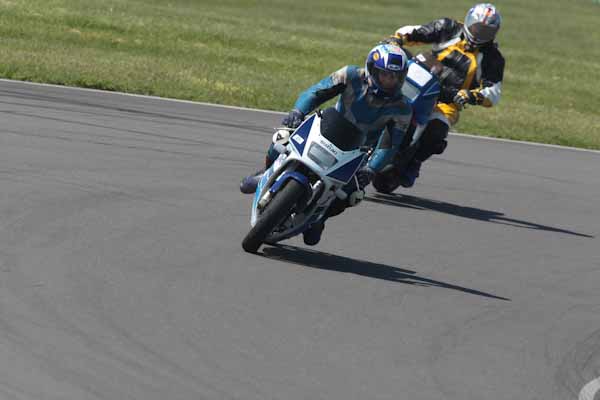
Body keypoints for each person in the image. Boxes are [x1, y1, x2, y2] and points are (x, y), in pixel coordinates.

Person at [240, 43, 413, 245]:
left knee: (353, 194)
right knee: (282, 136)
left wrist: (371, 169)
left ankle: (320, 217)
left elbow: (389, 145)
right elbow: (316, 92)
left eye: (395, 77)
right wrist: (298, 111)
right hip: (328, 129)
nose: (389, 81)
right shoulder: (350, 75)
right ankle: (267, 172)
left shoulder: (403, 108)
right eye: (385, 75)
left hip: (358, 151)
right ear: (372, 69)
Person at [391, 3, 505, 188]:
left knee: (437, 130)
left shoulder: (493, 58)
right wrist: (397, 39)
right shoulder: (448, 28)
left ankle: (414, 162)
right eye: (478, 28)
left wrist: (472, 96)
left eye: (487, 31)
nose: (480, 34)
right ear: (469, 22)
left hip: (448, 100)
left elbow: (493, 91)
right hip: (418, 82)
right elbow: (417, 32)